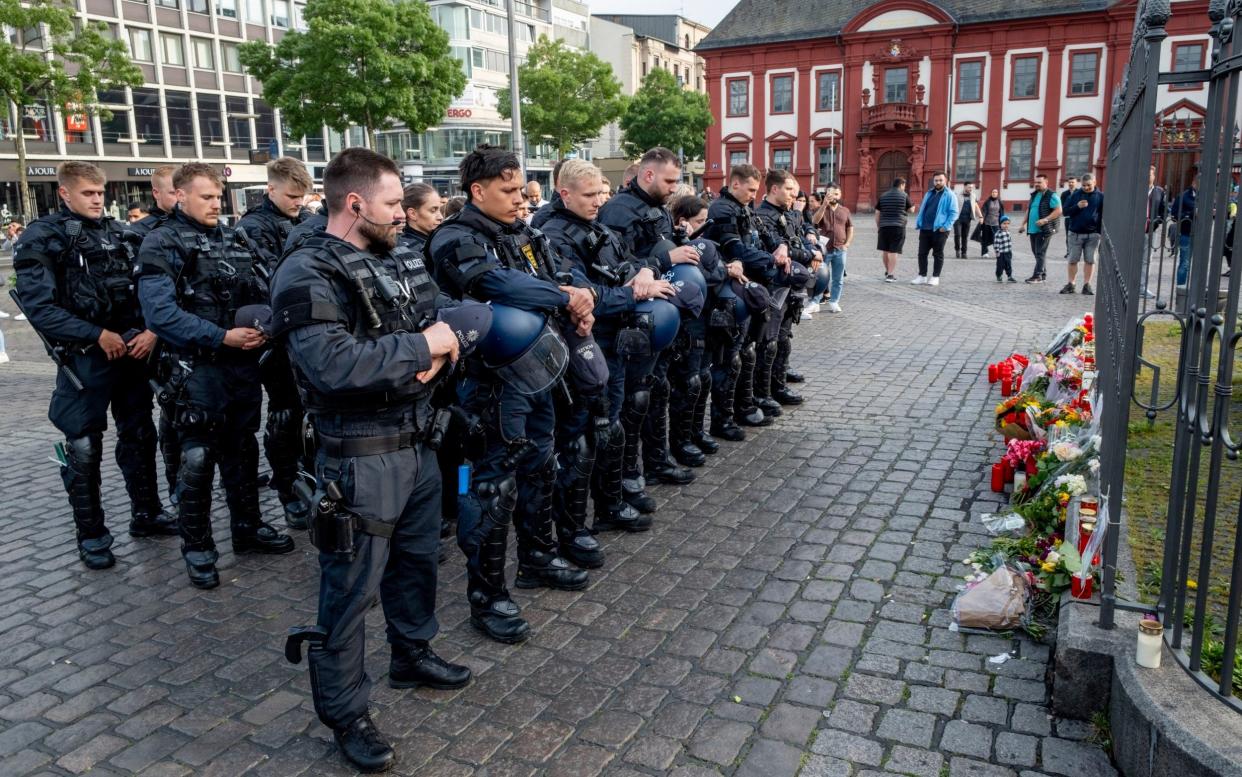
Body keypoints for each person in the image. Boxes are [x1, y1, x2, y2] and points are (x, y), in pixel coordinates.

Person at [272, 148, 471, 773]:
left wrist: (430, 350)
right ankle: (345, 711)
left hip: (417, 442)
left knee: (417, 563)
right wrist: (422, 347)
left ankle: (411, 654)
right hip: (359, 457)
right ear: (355, 204)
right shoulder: (306, 271)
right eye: (391, 205)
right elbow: (329, 364)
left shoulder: (395, 257)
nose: (401, 215)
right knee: (351, 588)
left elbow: (438, 322)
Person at [428, 145, 594, 643]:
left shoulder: (522, 232)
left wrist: (577, 298)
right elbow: (495, 284)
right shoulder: (454, 238)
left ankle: (538, 557)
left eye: (521, 189)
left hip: (536, 368)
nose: (519, 198)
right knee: (490, 483)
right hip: (487, 381)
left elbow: (553, 274)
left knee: (541, 464)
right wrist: (562, 298)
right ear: (477, 191)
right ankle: (487, 596)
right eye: (507, 190)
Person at [137, 163, 295, 589]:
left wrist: (265, 325)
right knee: (197, 458)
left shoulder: (233, 235)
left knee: (242, 451)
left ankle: (247, 528)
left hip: (241, 366)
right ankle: (198, 545)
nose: (216, 204)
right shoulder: (160, 242)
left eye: (218, 196)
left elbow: (262, 289)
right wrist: (220, 336)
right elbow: (160, 313)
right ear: (180, 195)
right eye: (206, 197)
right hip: (194, 369)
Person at [14, 161, 177, 569]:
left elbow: (149, 290)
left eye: (101, 193)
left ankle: (147, 513)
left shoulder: (121, 233)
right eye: (88, 193)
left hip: (130, 353)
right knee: (83, 447)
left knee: (139, 435)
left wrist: (149, 331)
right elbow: (39, 308)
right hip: (85, 358)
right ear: (64, 193)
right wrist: (94, 335)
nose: (97, 199)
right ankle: (92, 534)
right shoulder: (44, 237)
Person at [541, 160, 676, 561]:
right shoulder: (555, 236)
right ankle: (572, 529)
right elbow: (585, 295)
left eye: (601, 192)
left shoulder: (596, 227)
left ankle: (610, 503)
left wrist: (643, 274)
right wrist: (632, 293)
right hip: (584, 347)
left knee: (611, 428)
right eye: (589, 195)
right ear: (565, 194)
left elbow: (626, 263)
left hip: (613, 344)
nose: (599, 201)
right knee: (579, 441)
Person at [598, 147, 700, 514]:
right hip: (630, 319)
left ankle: (655, 462)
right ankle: (626, 477)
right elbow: (613, 264)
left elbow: (657, 247)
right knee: (631, 402)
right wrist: (664, 259)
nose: (675, 188)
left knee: (655, 392)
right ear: (647, 175)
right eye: (670, 180)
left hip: (658, 315)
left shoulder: (657, 207)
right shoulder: (618, 211)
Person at [236, 157, 315, 529]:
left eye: (303, 196)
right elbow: (270, 277)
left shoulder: (304, 222)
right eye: (292, 195)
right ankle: (287, 487)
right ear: (271, 189)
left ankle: (305, 477)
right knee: (284, 413)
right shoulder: (252, 227)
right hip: (273, 332)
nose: (299, 202)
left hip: (305, 327)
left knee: (307, 412)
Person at [703, 164, 781, 430]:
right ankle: (722, 419)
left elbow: (763, 237)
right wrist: (771, 259)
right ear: (735, 184)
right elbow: (735, 248)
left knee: (745, 353)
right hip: (726, 291)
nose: (753, 195)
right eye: (750, 189)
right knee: (729, 358)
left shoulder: (743, 207)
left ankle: (743, 407)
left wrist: (780, 247)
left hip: (746, 286)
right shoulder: (722, 209)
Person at [123, 165, 181, 502]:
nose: (179, 197)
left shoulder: (203, 228)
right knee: (170, 415)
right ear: (156, 194)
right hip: (155, 340)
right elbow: (134, 294)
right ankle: (173, 487)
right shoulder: (139, 234)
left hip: (188, 337)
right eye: (173, 191)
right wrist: (150, 330)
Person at [755, 170, 815, 414]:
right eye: (790, 190)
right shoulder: (762, 216)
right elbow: (783, 251)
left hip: (791, 287)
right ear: (775, 189)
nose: (795, 194)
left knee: (783, 339)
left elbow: (799, 240)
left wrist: (810, 244)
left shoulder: (789, 214)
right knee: (768, 342)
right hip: (774, 287)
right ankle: (763, 393)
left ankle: (777, 387)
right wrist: (811, 254)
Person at [911, 172, 959, 286]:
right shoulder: (929, 193)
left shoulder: (950, 195)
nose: (938, 182)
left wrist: (946, 226)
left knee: (937, 253)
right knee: (922, 253)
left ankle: (935, 276)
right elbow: (923, 209)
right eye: (936, 180)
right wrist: (920, 223)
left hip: (940, 230)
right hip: (925, 228)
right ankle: (922, 276)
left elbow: (954, 213)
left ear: (945, 181)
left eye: (940, 180)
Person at [1060, 173, 1103, 295]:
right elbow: (1065, 211)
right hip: (1075, 233)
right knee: (1073, 260)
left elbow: (1103, 215)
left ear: (1094, 182)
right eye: (1084, 185)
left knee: (1090, 260)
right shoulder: (1075, 195)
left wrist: (1099, 232)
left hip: (1093, 235)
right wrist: (1077, 206)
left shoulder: (1100, 196)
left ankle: (1087, 285)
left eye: (1088, 185)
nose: (1086, 187)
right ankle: (1071, 284)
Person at [811, 182, 852, 312]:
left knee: (838, 279)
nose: (833, 195)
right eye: (830, 192)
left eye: (836, 193)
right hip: (824, 250)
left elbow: (850, 228)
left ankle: (834, 301)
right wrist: (824, 205)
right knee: (819, 276)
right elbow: (815, 221)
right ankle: (815, 302)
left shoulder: (845, 210)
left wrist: (847, 244)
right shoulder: (822, 208)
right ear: (826, 194)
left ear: (840, 195)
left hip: (840, 249)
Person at [1024, 174, 1062, 284]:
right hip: (1032, 229)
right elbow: (1029, 210)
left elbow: (1058, 210)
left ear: (1046, 182)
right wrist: (1023, 224)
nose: (1037, 184)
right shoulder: (1034, 195)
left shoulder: (1052, 195)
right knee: (1036, 252)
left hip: (1045, 229)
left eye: (1039, 182)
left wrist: (1045, 219)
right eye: (1036, 182)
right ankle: (1043, 273)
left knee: (1040, 252)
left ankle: (1037, 276)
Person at [875, 177, 913, 282]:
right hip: (898, 226)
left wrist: (879, 226)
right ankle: (891, 275)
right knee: (893, 251)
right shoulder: (904, 195)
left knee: (885, 250)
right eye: (904, 186)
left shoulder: (883, 196)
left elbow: (877, 213)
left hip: (884, 227)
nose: (904, 188)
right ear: (901, 185)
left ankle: (888, 271)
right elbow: (911, 210)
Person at [1142, 166, 1166, 299]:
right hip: (1135, 230)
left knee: (1147, 260)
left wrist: (1158, 221)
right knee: (1132, 258)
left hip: (1151, 230)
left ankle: (1142, 287)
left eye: (1150, 175)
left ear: (1154, 176)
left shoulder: (1159, 191)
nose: (1147, 178)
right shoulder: (1136, 189)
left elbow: (1163, 209)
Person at [398, 182, 442, 254]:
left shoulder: (436, 240)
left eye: (440, 210)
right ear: (413, 214)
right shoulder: (407, 250)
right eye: (433, 210)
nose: (440, 217)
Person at [1171, 174, 1198, 287]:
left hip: (1202, 234)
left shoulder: (1208, 196)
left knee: (1200, 264)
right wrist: (1191, 214)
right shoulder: (1183, 196)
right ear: (1194, 183)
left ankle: (1196, 290)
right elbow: (1174, 214)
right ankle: (1180, 288)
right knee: (1185, 263)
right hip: (1187, 233)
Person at [953, 182, 982, 258]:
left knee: (965, 236)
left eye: (971, 187)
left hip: (967, 219)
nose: (971, 189)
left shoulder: (973, 196)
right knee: (957, 235)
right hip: (957, 219)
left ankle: (964, 252)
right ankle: (957, 250)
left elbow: (976, 206)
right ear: (964, 187)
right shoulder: (957, 195)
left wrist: (981, 216)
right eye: (969, 187)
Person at [979, 188, 1004, 258]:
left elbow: (1002, 213)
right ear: (991, 193)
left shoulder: (1000, 202)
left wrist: (1002, 222)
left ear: (997, 193)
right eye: (993, 192)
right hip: (987, 222)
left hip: (996, 223)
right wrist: (982, 218)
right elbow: (983, 211)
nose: (994, 193)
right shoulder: (987, 201)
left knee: (996, 238)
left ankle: (997, 252)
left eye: (996, 192)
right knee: (985, 238)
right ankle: (984, 252)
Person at [1060, 176, 1079, 260]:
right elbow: (1062, 207)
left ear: (1076, 183)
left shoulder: (1080, 193)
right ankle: (1069, 252)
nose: (1071, 184)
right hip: (1068, 218)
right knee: (1068, 235)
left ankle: (1077, 251)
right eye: (1069, 182)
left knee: (1078, 235)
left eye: (1073, 182)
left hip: (1078, 217)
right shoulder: (1064, 194)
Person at [993, 215, 1016, 283]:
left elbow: (1009, 242)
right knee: (1000, 265)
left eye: (1008, 224)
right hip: (1001, 253)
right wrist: (997, 252)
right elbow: (996, 243)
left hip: (1008, 252)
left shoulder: (1008, 232)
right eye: (1004, 223)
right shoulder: (998, 233)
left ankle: (1009, 276)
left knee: (1008, 264)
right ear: (1000, 224)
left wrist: (1010, 251)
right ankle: (999, 276)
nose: (1006, 225)